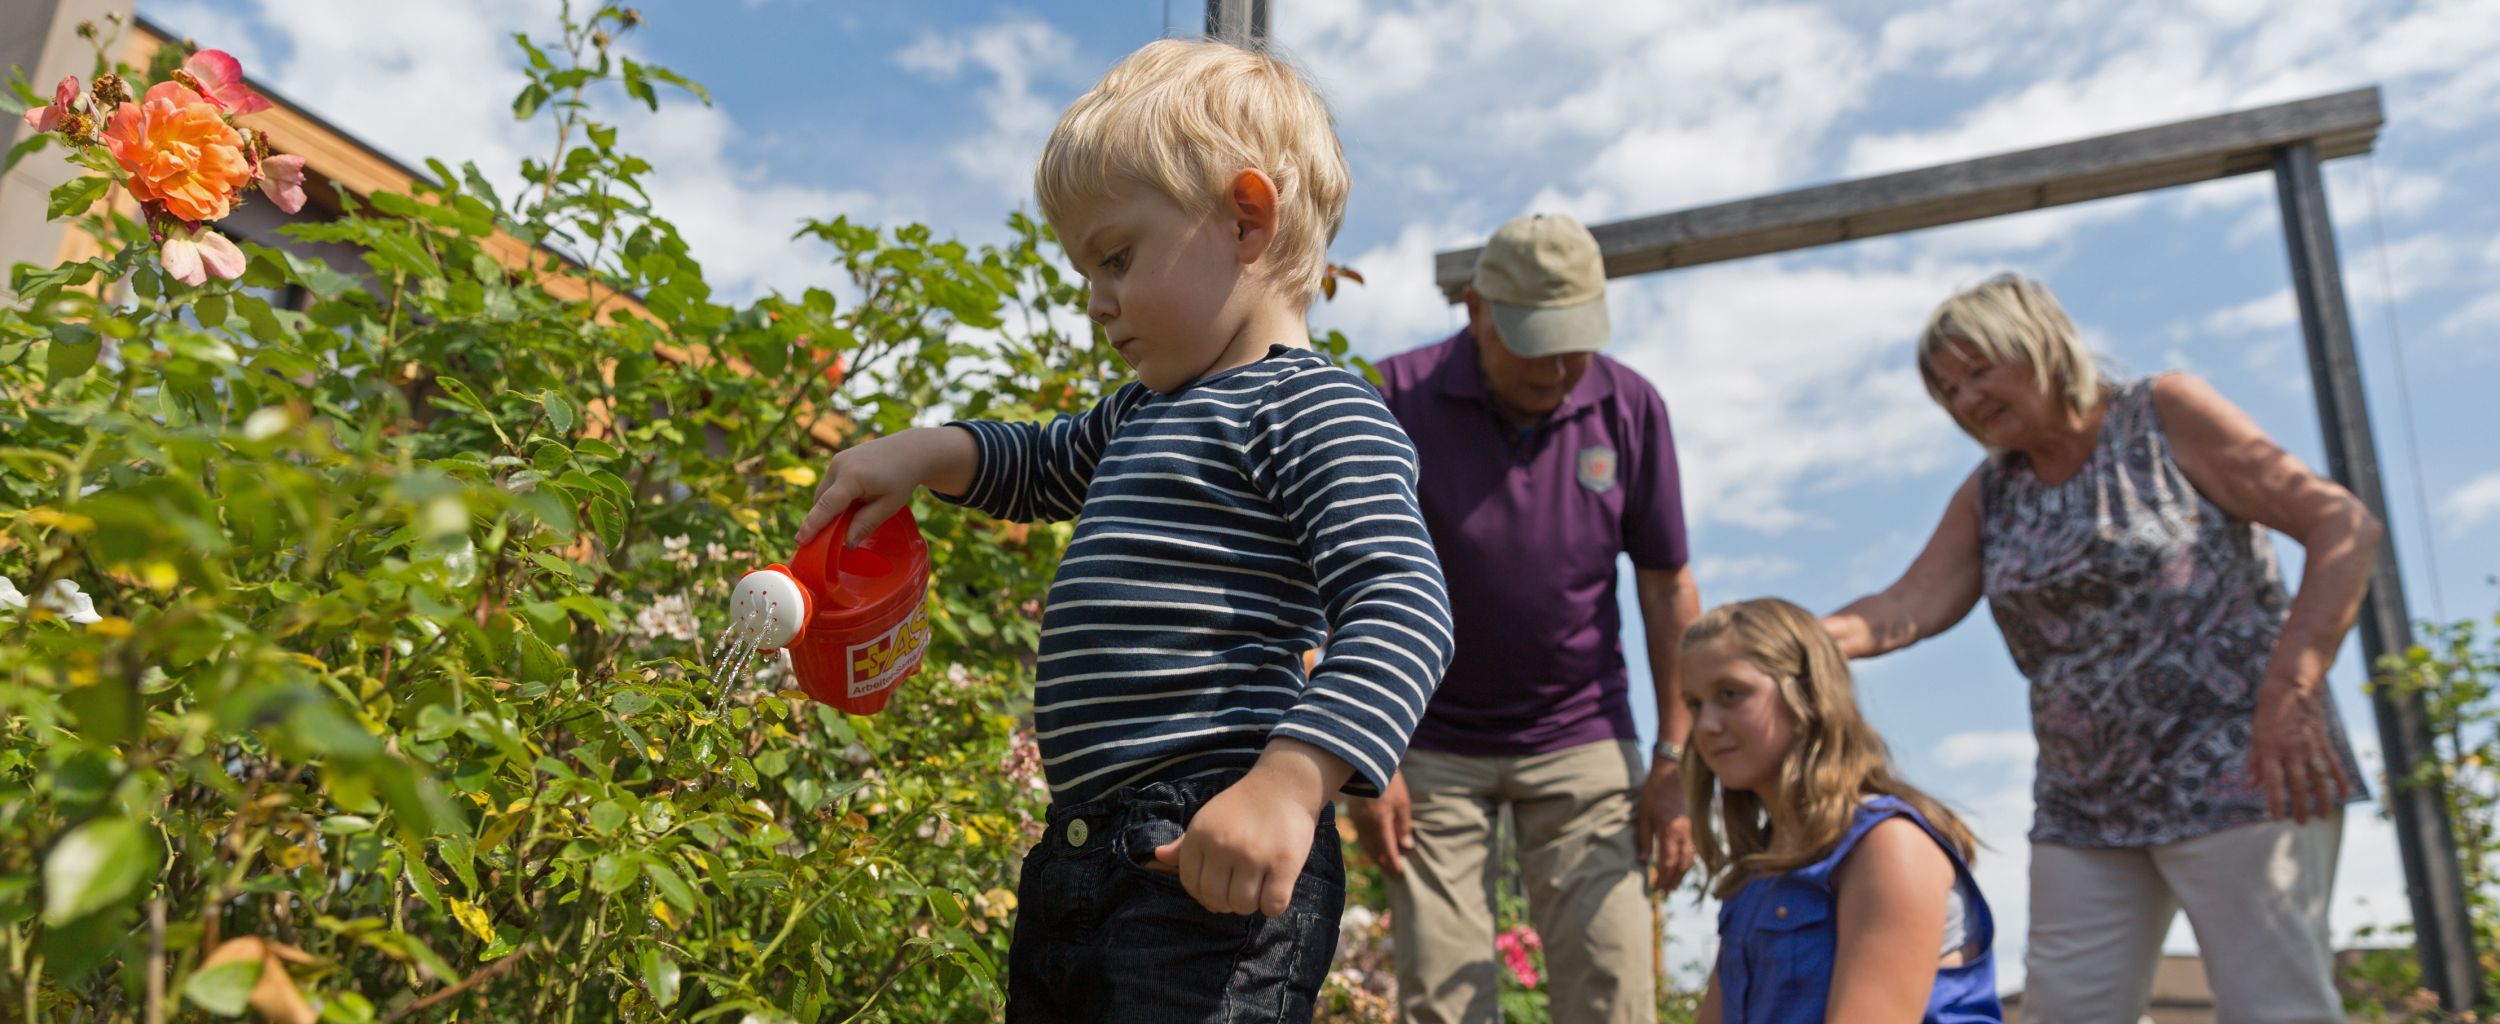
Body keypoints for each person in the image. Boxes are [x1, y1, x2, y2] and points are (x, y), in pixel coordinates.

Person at [795, 39, 1455, 1022]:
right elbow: (1039, 460)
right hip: (1082, 848)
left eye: (1116, 256)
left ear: (1246, 218)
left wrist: (1290, 780)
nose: (1096, 303)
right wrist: (928, 452)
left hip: (1210, 843)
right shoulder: (1139, 413)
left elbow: (1402, 601)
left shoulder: (1314, 410)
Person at [1824, 272, 2374, 1022]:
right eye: (1948, 391)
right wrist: (1796, 640)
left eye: (1980, 370)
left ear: (2043, 344)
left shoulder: (2164, 414)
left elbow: (2342, 526)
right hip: (2086, 804)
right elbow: (1906, 606)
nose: (1967, 401)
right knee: (2065, 1013)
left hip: (2243, 774)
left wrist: (2294, 686)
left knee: (2276, 1009)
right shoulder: (1992, 493)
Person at [1350, 212, 1699, 1024]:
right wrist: (1367, 756)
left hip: (1581, 734)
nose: (1562, 367)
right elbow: (1335, 582)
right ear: (1475, 309)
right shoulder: (1390, 397)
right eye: (1538, 341)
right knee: (1444, 1001)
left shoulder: (1628, 407)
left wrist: (1674, 758)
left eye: (1577, 341)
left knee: (1614, 990)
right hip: (1426, 741)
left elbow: (1665, 588)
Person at [1683, 597, 2000, 1024]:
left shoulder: (1888, 846)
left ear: (1809, 695)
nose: (1706, 725)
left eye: (1730, 694)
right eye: (1695, 704)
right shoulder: (1755, 874)